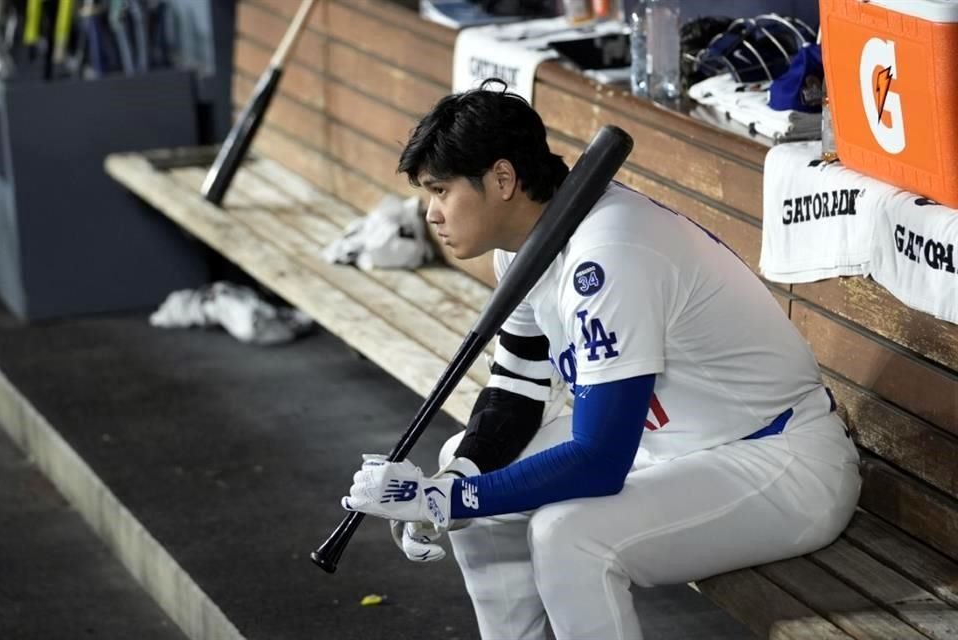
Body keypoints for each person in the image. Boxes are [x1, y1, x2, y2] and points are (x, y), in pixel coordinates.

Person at [341, 79, 861, 640]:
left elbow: (599, 459)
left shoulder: (609, 255)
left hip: (776, 460)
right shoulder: (525, 248)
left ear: (502, 179)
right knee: (463, 459)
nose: (432, 214)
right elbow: (514, 395)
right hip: (673, 445)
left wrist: (446, 499)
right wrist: (455, 482)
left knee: (569, 535)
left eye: (441, 191)